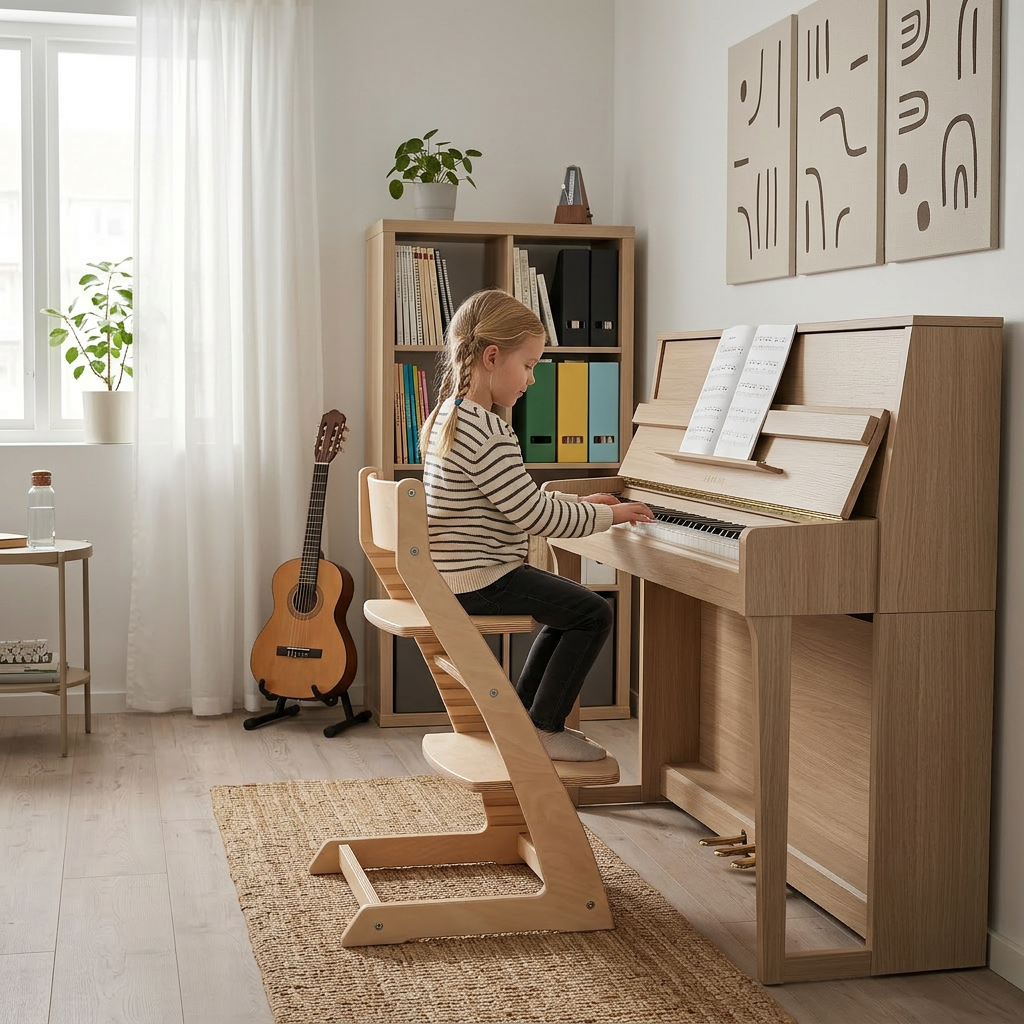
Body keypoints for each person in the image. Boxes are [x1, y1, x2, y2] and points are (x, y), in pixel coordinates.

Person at [420, 288, 654, 761]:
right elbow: (532, 515)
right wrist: (609, 515)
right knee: (593, 613)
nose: (531, 380)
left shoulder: (452, 415)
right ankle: (545, 725)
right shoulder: (487, 430)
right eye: (528, 366)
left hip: (456, 573)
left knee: (568, 608)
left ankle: (528, 716)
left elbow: (514, 501)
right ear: (491, 357)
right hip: (480, 578)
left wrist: (578, 501)